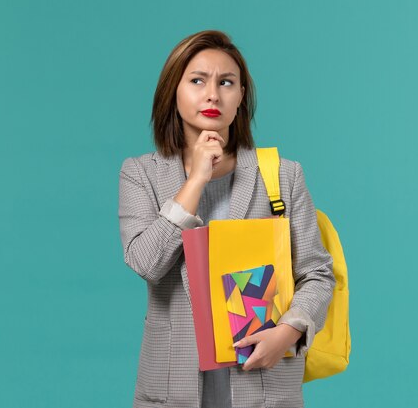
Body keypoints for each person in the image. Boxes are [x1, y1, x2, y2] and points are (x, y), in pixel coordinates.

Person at [118, 30, 335, 408]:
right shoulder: (141, 174)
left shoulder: (283, 175)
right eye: (197, 80)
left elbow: (317, 273)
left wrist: (286, 333)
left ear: (241, 98)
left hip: (264, 386)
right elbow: (145, 262)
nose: (212, 94)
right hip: (173, 390)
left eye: (227, 83)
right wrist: (197, 180)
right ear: (174, 91)